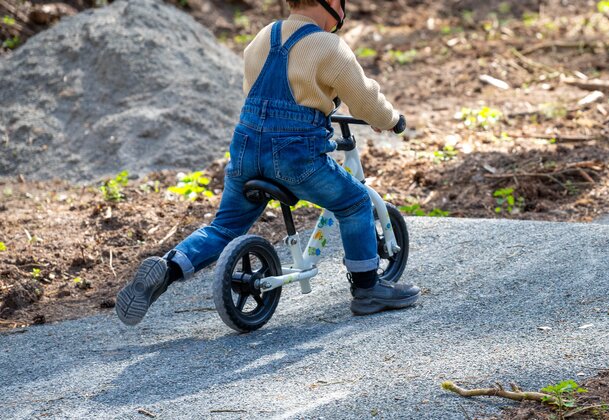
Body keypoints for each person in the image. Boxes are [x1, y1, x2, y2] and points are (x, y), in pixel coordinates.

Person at [116, 0, 420, 326]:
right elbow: (364, 100)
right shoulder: (330, 47)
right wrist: (390, 120)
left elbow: (258, 95)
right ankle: (368, 289)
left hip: (246, 150)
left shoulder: (263, 37)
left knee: (225, 226)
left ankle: (170, 266)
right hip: (295, 157)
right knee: (355, 202)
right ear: (332, 4)